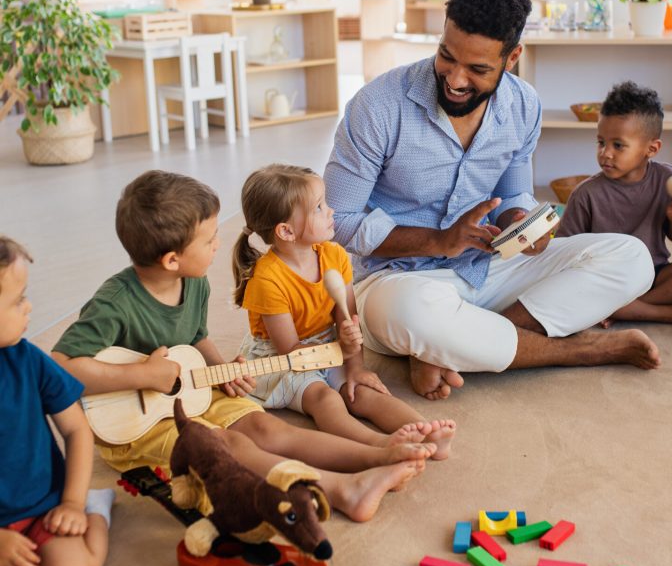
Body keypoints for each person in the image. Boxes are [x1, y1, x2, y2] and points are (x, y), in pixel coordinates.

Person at [324, 0, 660, 401]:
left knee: (632, 259)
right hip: (397, 280)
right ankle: (577, 349)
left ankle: (453, 345)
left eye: (478, 68)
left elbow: (515, 192)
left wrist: (522, 222)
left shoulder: (524, 105)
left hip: (486, 267)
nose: (456, 79)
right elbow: (338, 221)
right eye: (447, 55)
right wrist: (439, 241)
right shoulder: (377, 106)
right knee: (415, 313)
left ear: (512, 56)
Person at [51, 171, 427, 524]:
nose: (219, 244)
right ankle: (342, 490)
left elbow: (195, 337)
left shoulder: (194, 282)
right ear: (171, 259)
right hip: (134, 425)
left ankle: (376, 454)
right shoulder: (115, 302)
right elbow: (60, 367)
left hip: (195, 389)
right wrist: (143, 375)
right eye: (209, 239)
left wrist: (221, 369)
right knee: (227, 446)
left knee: (266, 428)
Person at [232, 164, 456, 459]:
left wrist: (355, 365)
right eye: (319, 207)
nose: (332, 211)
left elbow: (346, 315)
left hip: (325, 342)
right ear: (286, 231)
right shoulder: (267, 280)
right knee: (325, 398)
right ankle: (379, 444)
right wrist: (342, 347)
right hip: (285, 357)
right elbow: (291, 350)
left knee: (361, 390)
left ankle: (426, 431)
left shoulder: (334, 254)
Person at [0, 237, 112, 566]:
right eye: (17, 301)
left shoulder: (27, 359)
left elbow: (77, 430)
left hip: (44, 504)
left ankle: (98, 510)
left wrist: (72, 503)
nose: (28, 306)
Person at [557, 81, 672, 327]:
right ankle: (664, 312)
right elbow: (562, 255)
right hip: (606, 280)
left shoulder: (665, 178)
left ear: (652, 148)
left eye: (618, 145)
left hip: (654, 273)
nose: (605, 153)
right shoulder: (585, 194)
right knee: (568, 290)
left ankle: (625, 309)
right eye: (601, 142)